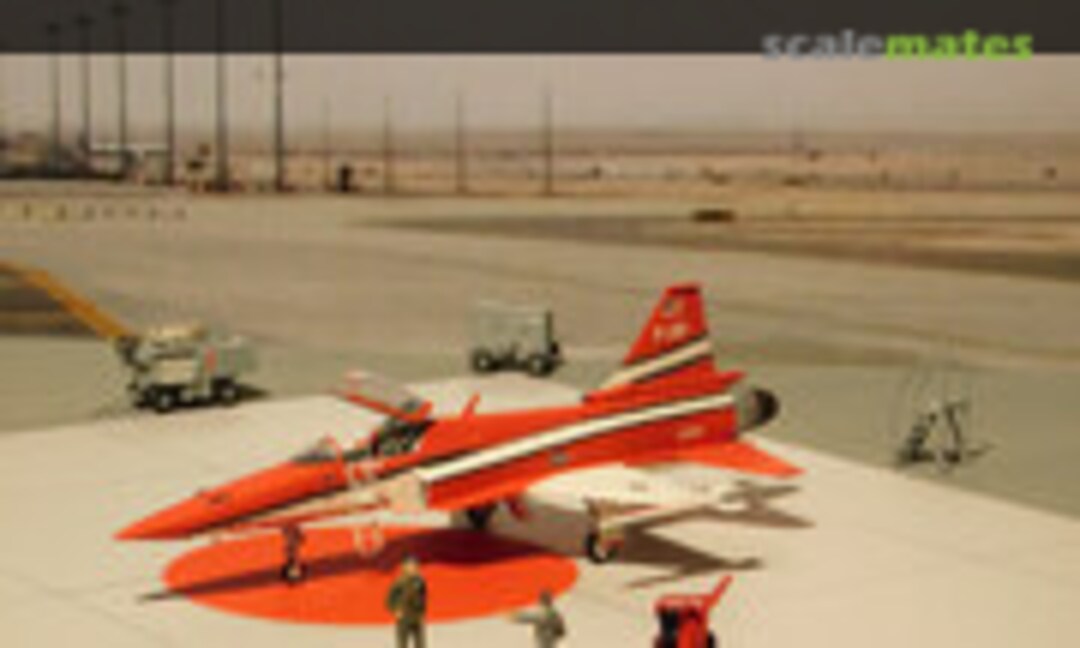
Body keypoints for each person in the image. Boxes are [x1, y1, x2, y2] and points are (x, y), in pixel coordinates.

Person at [386, 554, 428, 648]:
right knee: (402, 642)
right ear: (404, 567)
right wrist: (396, 610)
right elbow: (390, 599)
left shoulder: (419, 581)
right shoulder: (400, 582)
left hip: (416, 616)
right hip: (404, 616)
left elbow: (423, 597)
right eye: (410, 566)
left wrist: (422, 613)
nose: (413, 568)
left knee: (420, 643)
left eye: (415, 566)